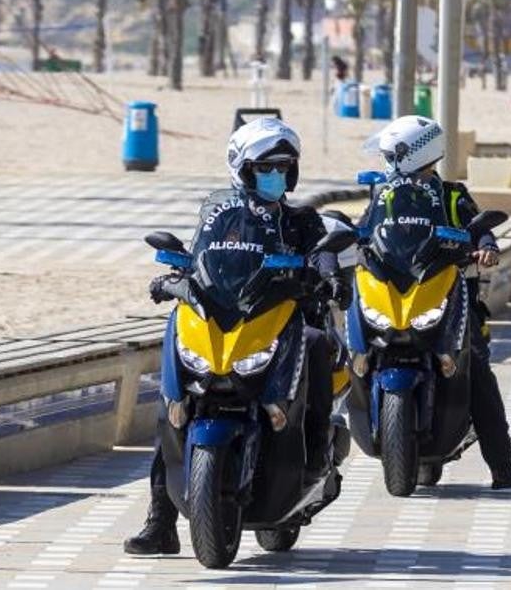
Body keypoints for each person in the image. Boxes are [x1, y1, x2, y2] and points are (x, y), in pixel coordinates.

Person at [124, 117, 346, 556]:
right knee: (175, 407)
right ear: (243, 169)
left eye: (284, 167)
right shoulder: (219, 216)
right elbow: (198, 260)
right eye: (267, 167)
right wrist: (173, 276)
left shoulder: (301, 220)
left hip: (286, 319)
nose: (276, 175)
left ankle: (318, 447)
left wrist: (327, 274)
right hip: (229, 321)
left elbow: (323, 256)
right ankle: (160, 522)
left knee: (320, 344)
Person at [373, 115, 511, 490]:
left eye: (395, 154)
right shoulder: (384, 194)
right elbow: (367, 228)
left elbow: (480, 227)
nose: (389, 161)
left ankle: (502, 468)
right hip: (397, 294)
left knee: (477, 368)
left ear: (419, 152)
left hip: (448, 297)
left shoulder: (451, 195)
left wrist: (486, 247)